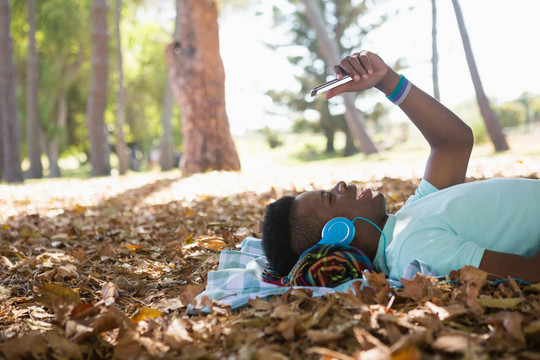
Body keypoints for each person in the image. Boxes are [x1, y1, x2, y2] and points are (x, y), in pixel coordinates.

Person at [262, 50, 540, 284]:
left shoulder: (407, 220)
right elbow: (528, 274)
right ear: (339, 233)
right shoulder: (413, 250)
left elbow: (453, 144)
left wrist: (387, 81)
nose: (341, 185)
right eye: (330, 197)